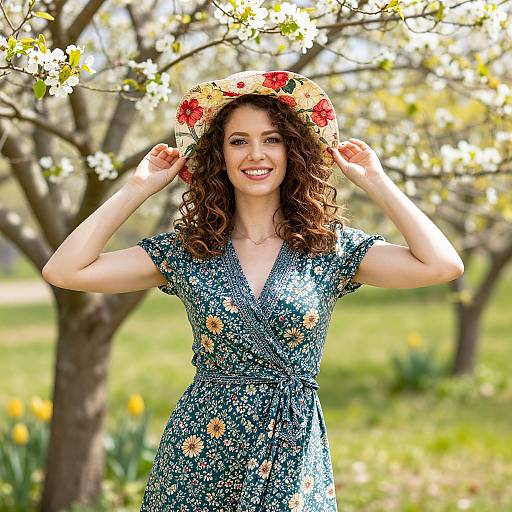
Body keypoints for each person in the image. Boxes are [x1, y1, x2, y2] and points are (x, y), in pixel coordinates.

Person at [42, 70, 464, 511]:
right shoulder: (189, 251)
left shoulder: (329, 247)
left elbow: (441, 264)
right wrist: (138, 188)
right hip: (198, 457)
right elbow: (66, 269)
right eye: (239, 141)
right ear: (219, 155)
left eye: (272, 139)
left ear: (292, 150)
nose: (256, 154)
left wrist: (377, 183)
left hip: (292, 455)